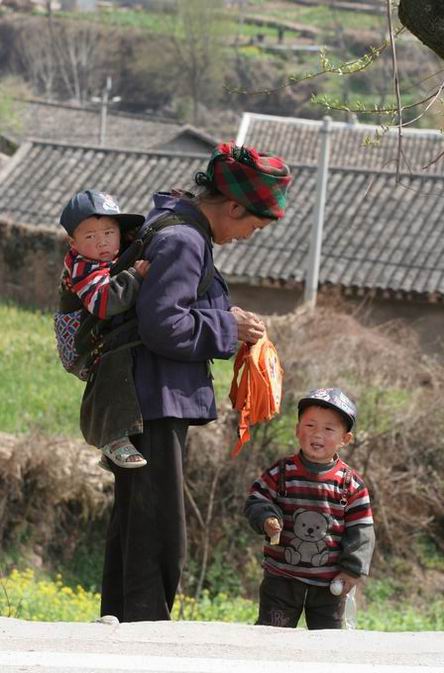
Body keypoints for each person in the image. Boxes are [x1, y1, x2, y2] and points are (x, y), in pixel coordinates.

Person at [99, 141, 292, 622]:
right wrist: (229, 328)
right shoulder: (184, 240)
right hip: (154, 399)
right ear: (232, 206)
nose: (249, 234)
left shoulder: (171, 226)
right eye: (252, 224)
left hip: (141, 396)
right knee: (158, 527)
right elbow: (163, 324)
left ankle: (121, 624)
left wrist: (221, 317)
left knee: (136, 520)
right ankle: (145, 628)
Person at [244, 387, 375, 630]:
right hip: (281, 577)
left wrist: (352, 570)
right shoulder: (281, 472)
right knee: (272, 635)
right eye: (310, 426)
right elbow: (256, 499)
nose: (318, 434)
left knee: (327, 643)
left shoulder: (350, 484)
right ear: (297, 430)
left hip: (329, 584)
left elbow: (362, 529)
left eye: (328, 429)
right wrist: (267, 518)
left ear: (345, 439)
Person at [58, 189, 149, 469]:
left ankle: (112, 452)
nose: (102, 243)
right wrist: (134, 276)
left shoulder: (112, 253)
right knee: (115, 359)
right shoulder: (83, 266)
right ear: (73, 243)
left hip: (96, 332)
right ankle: (112, 438)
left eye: (109, 233)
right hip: (79, 343)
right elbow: (103, 303)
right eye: (90, 237)